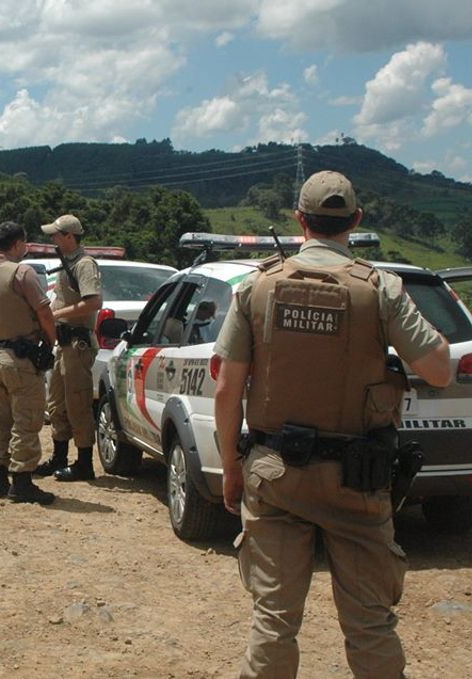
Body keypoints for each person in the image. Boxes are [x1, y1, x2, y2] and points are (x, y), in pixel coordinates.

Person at [213, 170, 452, 678]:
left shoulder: (258, 286)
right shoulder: (380, 289)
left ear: (299, 220)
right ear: (356, 220)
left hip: (274, 475)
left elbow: (228, 389)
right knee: (370, 625)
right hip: (356, 481)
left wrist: (231, 466)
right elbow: (438, 368)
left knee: (273, 622)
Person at [0, 221, 58, 504]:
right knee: (27, 419)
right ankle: (22, 481)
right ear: (17, 244)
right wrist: (50, 341)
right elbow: (44, 312)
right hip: (20, 358)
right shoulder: (22, 272)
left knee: (0, 418)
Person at [35, 214, 103, 482]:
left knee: (78, 403)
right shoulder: (68, 263)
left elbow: (93, 302)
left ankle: (84, 462)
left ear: (69, 236)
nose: (53, 239)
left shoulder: (84, 264)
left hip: (77, 343)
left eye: (56, 234)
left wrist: (57, 314)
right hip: (64, 343)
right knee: (57, 403)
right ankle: (60, 457)